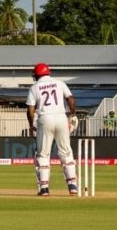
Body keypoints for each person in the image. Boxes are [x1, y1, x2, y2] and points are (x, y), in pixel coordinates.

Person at [26, 63, 78, 196]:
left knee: (43, 154)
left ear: (36, 75)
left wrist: (31, 125)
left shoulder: (34, 87)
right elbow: (70, 99)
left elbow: (30, 109)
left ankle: (44, 188)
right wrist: (73, 115)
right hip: (61, 117)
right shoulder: (59, 83)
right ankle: (72, 185)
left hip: (45, 118)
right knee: (66, 152)